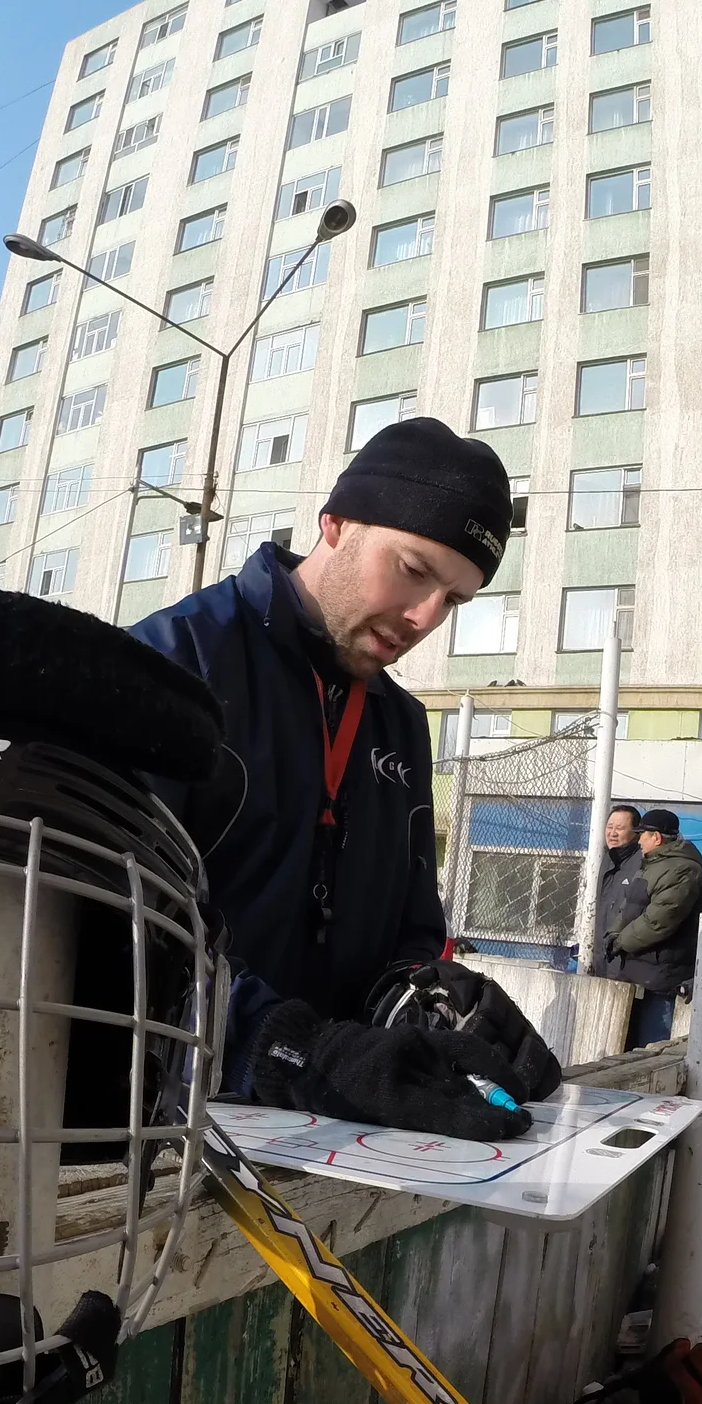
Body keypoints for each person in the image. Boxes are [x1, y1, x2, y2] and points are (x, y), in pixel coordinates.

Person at [131, 418, 557, 1139]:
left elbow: (411, 933)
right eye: (415, 570)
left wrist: (422, 1003)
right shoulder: (175, 663)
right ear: (335, 524)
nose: (424, 617)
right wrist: (289, 1050)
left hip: (338, 1135)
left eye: (454, 600)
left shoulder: (401, 725)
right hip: (164, 1132)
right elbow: (117, 930)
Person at [601, 807, 702, 1048]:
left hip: (660, 979)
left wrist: (621, 942)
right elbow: (627, 909)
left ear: (656, 837)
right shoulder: (650, 865)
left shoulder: (683, 869)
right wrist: (613, 935)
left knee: (651, 1049)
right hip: (637, 973)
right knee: (625, 1049)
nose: (639, 840)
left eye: (643, 834)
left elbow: (659, 920)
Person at [584, 803, 642, 981]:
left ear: (636, 832)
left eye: (620, 828)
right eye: (609, 827)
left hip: (625, 961)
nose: (612, 833)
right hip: (600, 957)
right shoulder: (606, 860)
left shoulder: (641, 863)